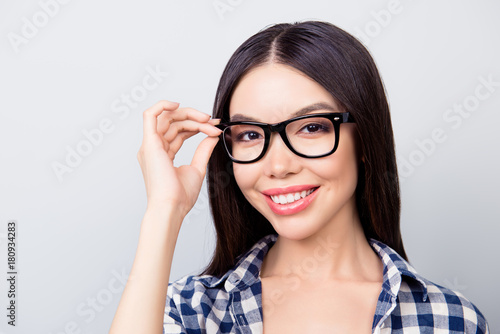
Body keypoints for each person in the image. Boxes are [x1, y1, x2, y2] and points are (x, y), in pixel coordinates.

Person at [110, 20, 489, 333]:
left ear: (364, 138)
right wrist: (165, 210)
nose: (278, 166)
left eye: (311, 128)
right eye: (250, 135)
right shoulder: (190, 311)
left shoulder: (451, 320)